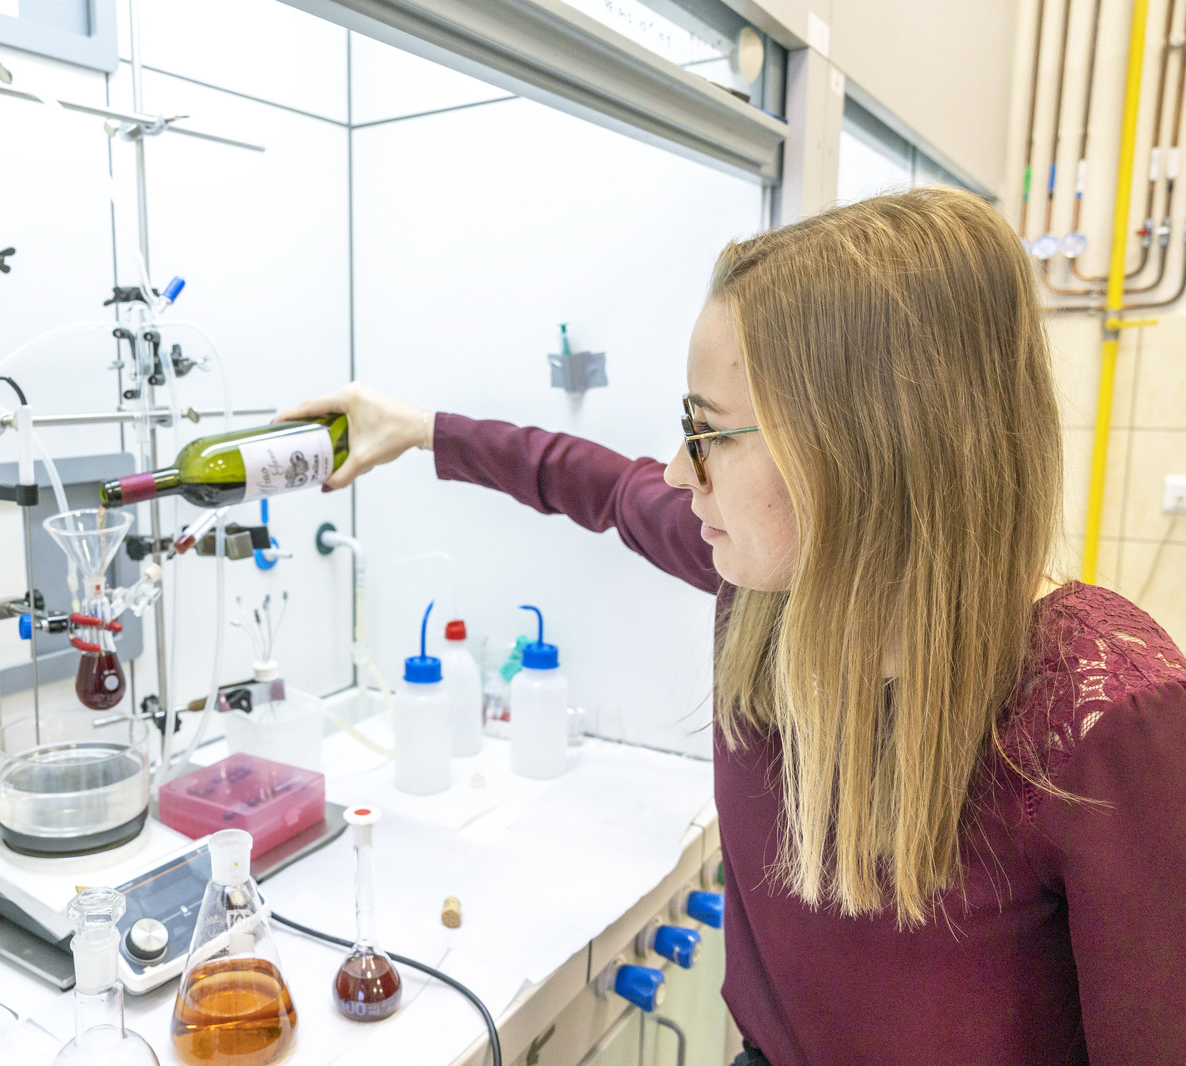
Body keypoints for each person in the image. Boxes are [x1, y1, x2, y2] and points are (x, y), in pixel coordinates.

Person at [278, 188, 1186, 1066]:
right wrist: (419, 429)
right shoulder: (769, 588)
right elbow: (603, 484)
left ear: (864, 448)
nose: (680, 472)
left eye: (709, 432)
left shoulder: (1111, 721)